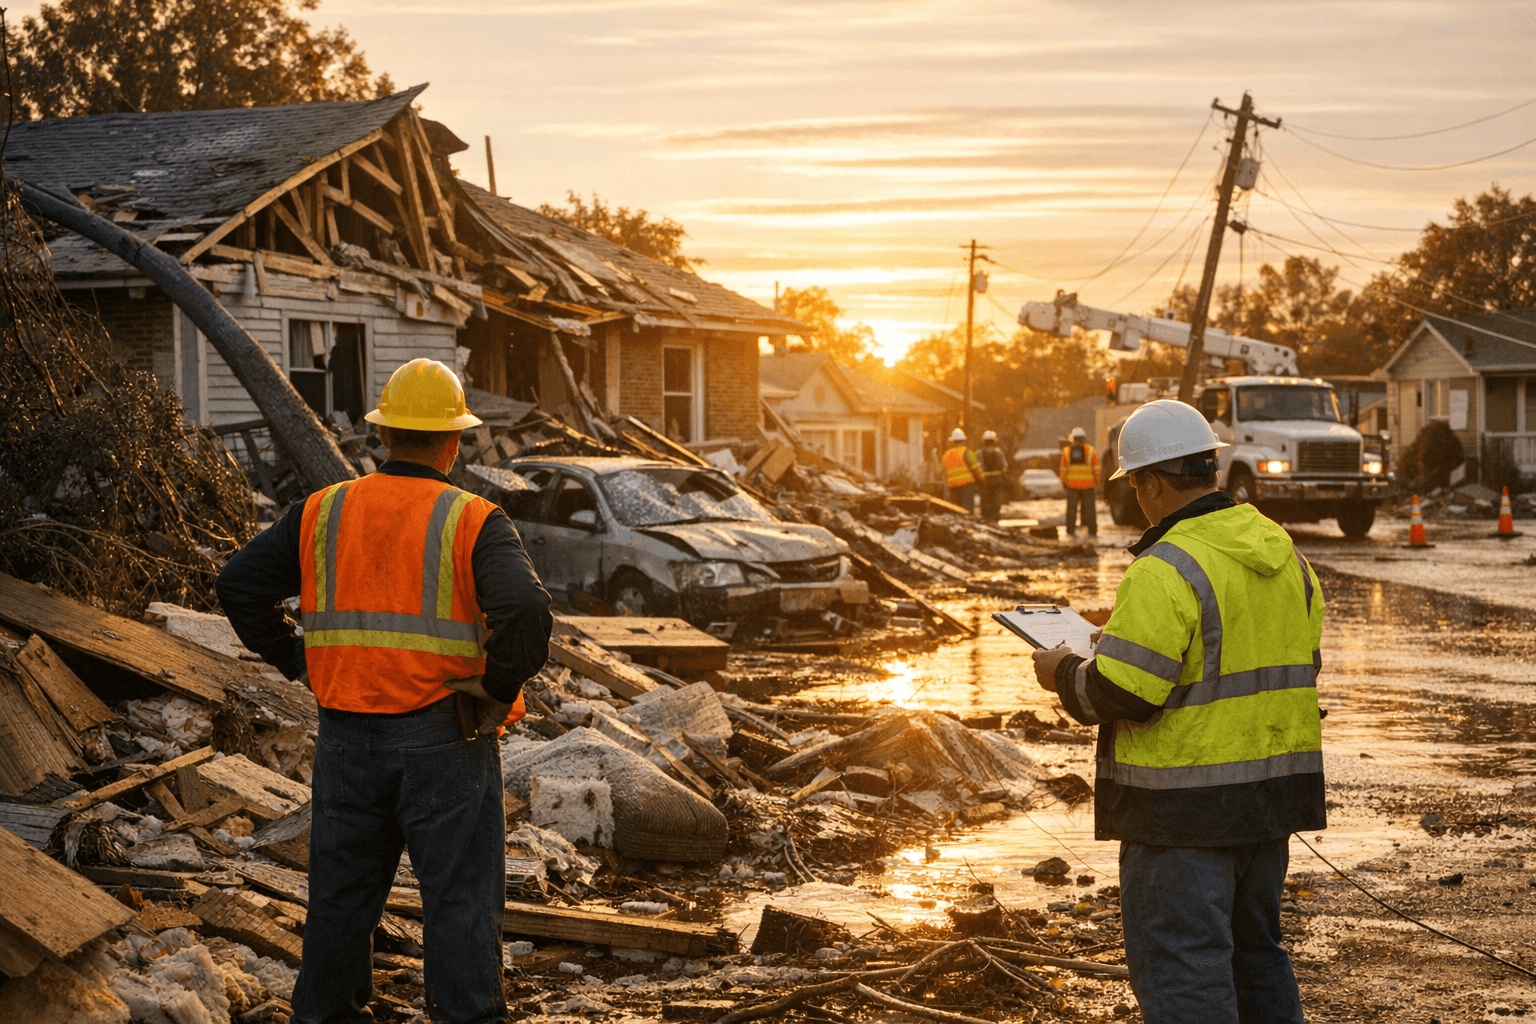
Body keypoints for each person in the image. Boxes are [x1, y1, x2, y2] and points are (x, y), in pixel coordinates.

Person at [217, 358, 553, 1024]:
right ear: (454, 441)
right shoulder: (472, 519)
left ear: (382, 435)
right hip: (443, 736)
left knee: (340, 899)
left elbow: (238, 585)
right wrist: (497, 686)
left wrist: (296, 658)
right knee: (458, 900)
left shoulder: (323, 510)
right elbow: (526, 609)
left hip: (345, 736)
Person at [1030, 399, 1325, 1024]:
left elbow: (1120, 694)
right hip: (1270, 802)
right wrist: (1128, 639)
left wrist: (1062, 672)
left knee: (1185, 974)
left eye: (1135, 485)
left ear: (1152, 482)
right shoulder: (1282, 553)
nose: (1136, 497)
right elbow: (1289, 661)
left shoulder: (1164, 567)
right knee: (1257, 957)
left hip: (1181, 815)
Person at [1059, 425, 1100, 536]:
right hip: (1088, 485)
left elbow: (1063, 470)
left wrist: (1064, 482)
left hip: (1072, 486)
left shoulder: (1066, 451)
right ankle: (1092, 532)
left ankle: (1070, 531)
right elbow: (1096, 468)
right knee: (1090, 510)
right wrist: (1096, 481)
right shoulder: (1090, 450)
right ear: (1084, 438)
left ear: (1072, 438)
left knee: (1071, 510)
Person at [942, 427, 983, 513]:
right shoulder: (968, 452)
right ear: (963, 440)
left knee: (955, 511)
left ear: (952, 441)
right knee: (966, 511)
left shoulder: (946, 455)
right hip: (966, 486)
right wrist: (982, 481)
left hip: (952, 486)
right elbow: (977, 469)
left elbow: (944, 472)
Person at [977, 430, 1008, 522]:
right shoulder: (999, 453)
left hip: (984, 482)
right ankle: (995, 522)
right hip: (997, 481)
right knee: (996, 503)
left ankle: (985, 521)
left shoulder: (978, 453)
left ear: (984, 441)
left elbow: (976, 468)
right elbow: (1005, 467)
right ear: (994, 441)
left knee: (985, 503)